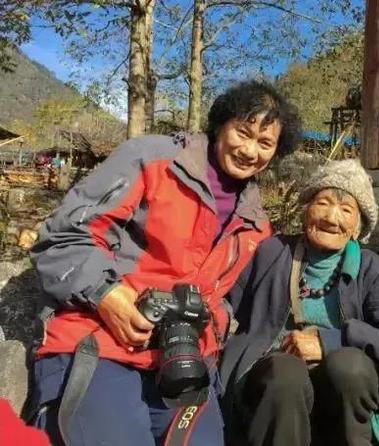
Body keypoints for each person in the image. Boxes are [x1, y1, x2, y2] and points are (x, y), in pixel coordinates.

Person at [28, 80, 301, 446]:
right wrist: (106, 294)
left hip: (184, 362)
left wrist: (212, 325)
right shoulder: (152, 160)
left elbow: (229, 300)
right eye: (243, 132)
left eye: (265, 143)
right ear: (221, 124)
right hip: (100, 341)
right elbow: (62, 236)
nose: (250, 150)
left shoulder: (256, 224)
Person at [220, 159, 379, 446]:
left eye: (346, 209)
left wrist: (331, 342)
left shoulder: (371, 270)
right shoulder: (273, 252)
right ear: (306, 211)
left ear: (358, 228)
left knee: (349, 366)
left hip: (343, 395)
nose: (331, 217)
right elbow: (225, 301)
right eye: (323, 203)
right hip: (276, 392)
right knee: (285, 372)